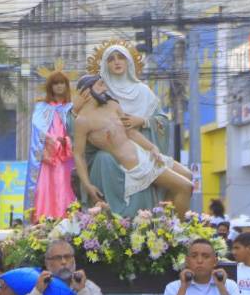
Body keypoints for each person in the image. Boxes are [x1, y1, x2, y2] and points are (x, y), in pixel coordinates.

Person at [71, 74, 193, 215]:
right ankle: (176, 231)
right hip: (136, 166)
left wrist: (152, 147)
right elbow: (79, 155)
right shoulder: (82, 120)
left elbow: (131, 133)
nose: (105, 88)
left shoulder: (112, 105)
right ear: (86, 91)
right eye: (100, 84)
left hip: (143, 154)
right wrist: (87, 185)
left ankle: (165, 220)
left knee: (188, 174)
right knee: (185, 187)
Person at [26, 71, 76, 219]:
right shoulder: (41, 107)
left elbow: (78, 130)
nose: (59, 86)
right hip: (48, 160)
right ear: (50, 87)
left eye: (62, 83)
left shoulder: (72, 108)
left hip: (67, 159)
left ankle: (67, 222)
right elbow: (38, 131)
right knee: (45, 189)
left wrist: (66, 141)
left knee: (67, 188)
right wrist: (54, 142)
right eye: (56, 83)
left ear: (67, 86)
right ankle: (45, 221)